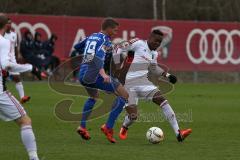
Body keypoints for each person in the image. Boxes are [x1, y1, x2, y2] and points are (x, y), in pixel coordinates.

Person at [114, 30, 192, 142]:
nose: (157, 44)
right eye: (156, 41)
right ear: (150, 38)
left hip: (143, 82)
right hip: (128, 84)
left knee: (162, 100)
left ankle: (178, 133)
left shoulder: (154, 53)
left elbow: (154, 68)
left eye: (160, 42)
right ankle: (125, 126)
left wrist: (167, 75)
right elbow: (118, 47)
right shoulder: (138, 43)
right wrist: (117, 66)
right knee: (133, 116)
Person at [75, 18, 129, 143]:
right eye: (115, 30)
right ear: (109, 28)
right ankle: (108, 127)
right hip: (94, 74)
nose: (115, 33)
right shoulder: (104, 40)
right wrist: (103, 74)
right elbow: (98, 57)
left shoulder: (92, 36)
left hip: (82, 73)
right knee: (124, 95)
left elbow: (77, 47)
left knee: (93, 97)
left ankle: (82, 127)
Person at [0, 14, 39, 160]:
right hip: (0, 92)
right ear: (6, 25)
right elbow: (7, 65)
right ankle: (34, 158)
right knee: (25, 121)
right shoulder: (3, 42)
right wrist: (30, 67)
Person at [3, 18, 30, 103]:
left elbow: (15, 47)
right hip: (3, 60)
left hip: (12, 60)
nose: (9, 25)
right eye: (7, 23)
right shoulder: (1, 35)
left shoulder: (14, 35)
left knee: (17, 78)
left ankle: (22, 97)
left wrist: (17, 56)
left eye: (10, 23)